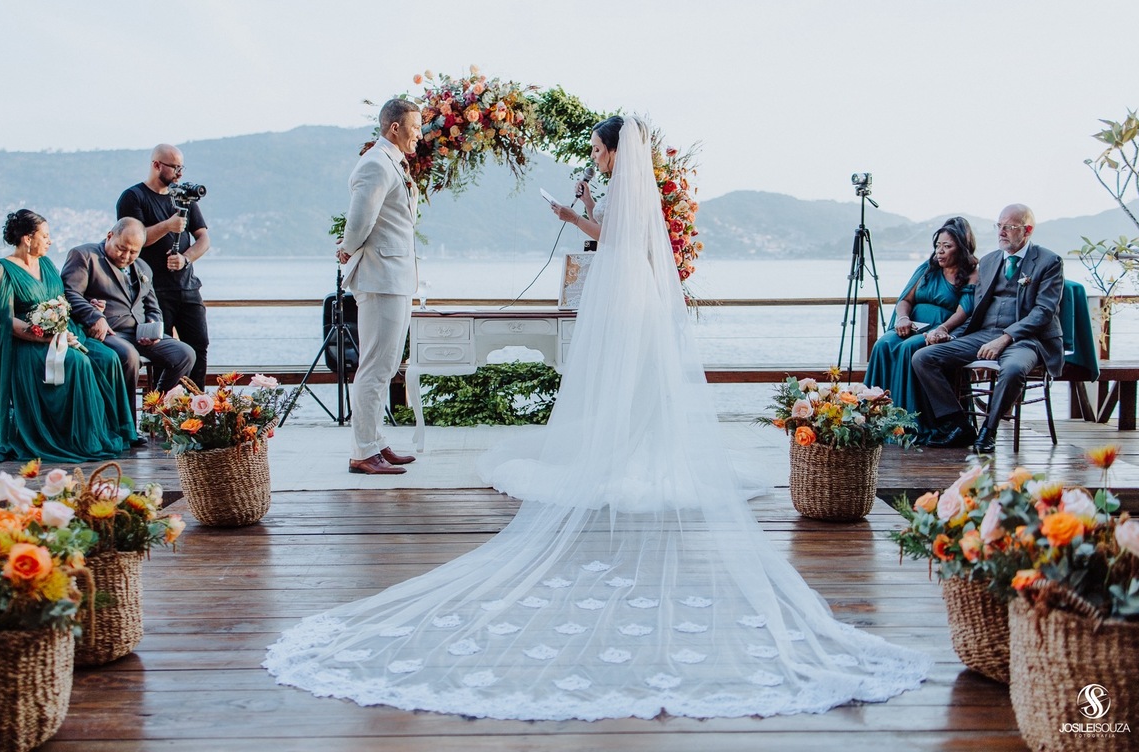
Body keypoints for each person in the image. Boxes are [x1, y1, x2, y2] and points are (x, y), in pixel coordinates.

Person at [265, 117, 929, 720]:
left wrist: (571, 213)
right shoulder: (628, 190)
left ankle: (622, 451)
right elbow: (616, 235)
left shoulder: (622, 193)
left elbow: (609, 238)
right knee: (635, 385)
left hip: (620, 294)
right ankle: (633, 444)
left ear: (615, 151)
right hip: (631, 292)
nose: (595, 155)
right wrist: (583, 207)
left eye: (597, 149)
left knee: (619, 379)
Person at [0, 210, 138, 464]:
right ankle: (76, 438)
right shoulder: (1, 270)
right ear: (28, 238)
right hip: (26, 343)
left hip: (64, 332)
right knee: (78, 362)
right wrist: (43, 336)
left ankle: (113, 431)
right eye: (45, 236)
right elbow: (6, 320)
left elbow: (62, 302)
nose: (50, 241)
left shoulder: (47, 265)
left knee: (108, 357)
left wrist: (90, 306)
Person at [912, 204, 1065, 454]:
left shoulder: (1049, 262)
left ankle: (988, 431)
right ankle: (959, 424)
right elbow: (976, 308)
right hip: (984, 334)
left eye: (1009, 227)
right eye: (999, 226)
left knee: (1013, 369)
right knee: (923, 357)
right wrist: (949, 332)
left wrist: (1005, 338)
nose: (1001, 232)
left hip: (1026, 340)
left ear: (1027, 230)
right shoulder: (989, 261)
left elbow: (1044, 312)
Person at [333, 98, 421, 475]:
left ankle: (376, 441)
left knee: (386, 365)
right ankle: (363, 451)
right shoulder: (375, 163)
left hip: (395, 276)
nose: (420, 134)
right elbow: (359, 221)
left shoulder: (394, 162)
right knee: (374, 365)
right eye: (415, 127)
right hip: (380, 277)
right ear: (395, 128)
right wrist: (348, 248)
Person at [61, 218, 196, 403]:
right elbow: (70, 292)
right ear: (110, 236)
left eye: (133, 252)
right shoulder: (85, 255)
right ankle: (127, 418)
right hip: (107, 333)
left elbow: (153, 306)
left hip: (140, 334)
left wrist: (153, 326)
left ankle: (156, 409)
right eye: (121, 248)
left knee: (185, 354)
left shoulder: (143, 267)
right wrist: (95, 316)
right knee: (129, 356)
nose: (126, 256)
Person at [863, 217, 978, 432]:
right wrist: (903, 319)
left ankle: (909, 423)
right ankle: (873, 419)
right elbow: (905, 300)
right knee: (882, 344)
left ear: (961, 248)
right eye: (938, 245)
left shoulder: (972, 272)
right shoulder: (927, 268)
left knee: (909, 348)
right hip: (912, 324)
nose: (940, 251)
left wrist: (943, 328)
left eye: (947, 246)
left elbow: (964, 311)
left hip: (941, 329)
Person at [116, 144, 211, 387]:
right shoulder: (133, 197)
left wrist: (185, 258)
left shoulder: (184, 197)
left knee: (199, 345)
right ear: (156, 165)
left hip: (187, 287)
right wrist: (168, 225)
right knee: (161, 351)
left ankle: (197, 404)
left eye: (182, 167)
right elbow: (134, 239)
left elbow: (204, 239)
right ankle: (159, 406)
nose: (180, 173)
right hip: (154, 290)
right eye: (174, 167)